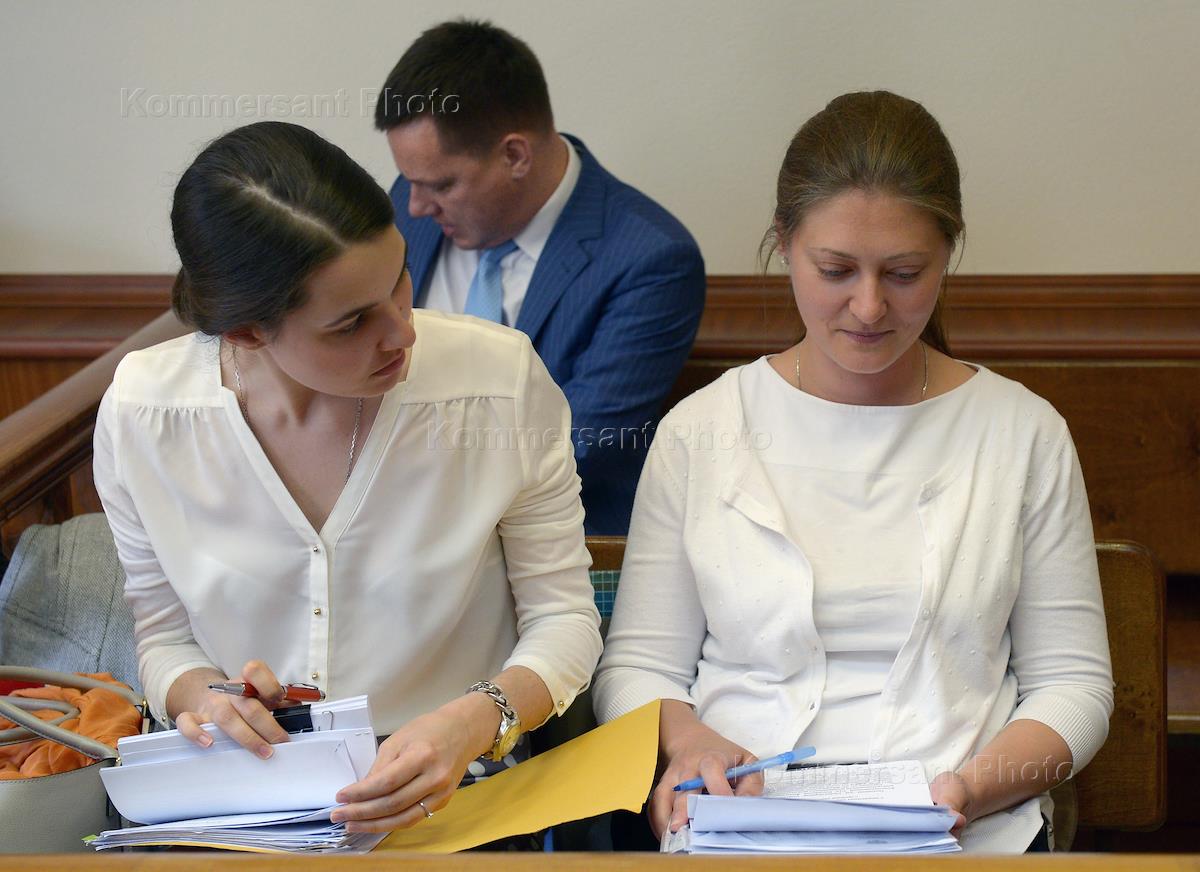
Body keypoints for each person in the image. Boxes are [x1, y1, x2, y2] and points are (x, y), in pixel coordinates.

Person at [592, 91, 1113, 852]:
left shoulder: (1021, 433)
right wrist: (689, 742)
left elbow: (1074, 685)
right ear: (783, 242)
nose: (868, 307)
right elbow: (639, 665)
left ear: (947, 254)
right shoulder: (703, 431)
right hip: (742, 823)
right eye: (835, 269)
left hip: (961, 830)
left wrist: (973, 786)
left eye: (904, 273)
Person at [93, 121, 603, 834]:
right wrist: (207, 699)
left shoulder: (497, 384)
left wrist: (475, 720)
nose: (403, 332)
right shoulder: (145, 414)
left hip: (464, 784)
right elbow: (162, 637)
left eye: (399, 281)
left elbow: (565, 619)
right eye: (352, 323)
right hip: (245, 795)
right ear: (245, 332)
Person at [374, 20, 707, 536]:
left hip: (558, 543)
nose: (415, 206)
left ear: (515, 155)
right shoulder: (408, 203)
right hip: (388, 527)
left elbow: (576, 445)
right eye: (410, 180)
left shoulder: (650, 258)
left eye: (441, 185)